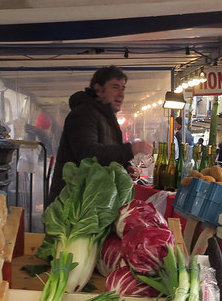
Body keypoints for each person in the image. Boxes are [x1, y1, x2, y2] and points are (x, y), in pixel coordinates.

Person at [47, 66, 151, 206]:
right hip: (72, 205)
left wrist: (125, 166)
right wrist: (130, 150)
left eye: (123, 88)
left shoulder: (106, 118)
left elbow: (107, 150)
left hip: (90, 202)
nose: (121, 93)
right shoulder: (83, 114)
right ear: (98, 89)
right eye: (115, 87)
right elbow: (88, 155)